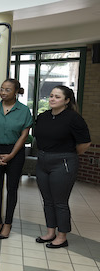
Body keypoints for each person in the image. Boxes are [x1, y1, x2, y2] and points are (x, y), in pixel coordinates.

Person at [34, 85, 90, 248]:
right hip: (43, 160)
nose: (52, 99)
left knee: (60, 201)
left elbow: (85, 143)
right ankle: (50, 232)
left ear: (67, 100)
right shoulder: (43, 116)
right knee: (47, 200)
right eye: (51, 96)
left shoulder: (73, 118)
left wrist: (68, 154)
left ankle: (62, 236)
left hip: (63, 162)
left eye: (57, 97)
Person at [0, 78, 33, 239]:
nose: (3, 92)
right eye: (2, 89)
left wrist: (11, 155)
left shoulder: (24, 110)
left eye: (7, 90)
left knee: (12, 189)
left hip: (15, 152)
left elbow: (24, 135)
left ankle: (8, 223)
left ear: (16, 92)